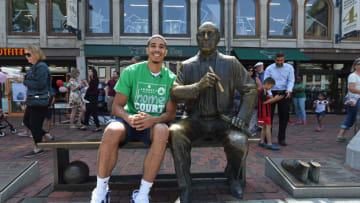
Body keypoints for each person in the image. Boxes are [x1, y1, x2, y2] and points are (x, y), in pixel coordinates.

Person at [169, 22, 257, 202]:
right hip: (194, 120)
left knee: (239, 141)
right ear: (196, 38)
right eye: (202, 34)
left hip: (223, 120)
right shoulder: (187, 65)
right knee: (175, 133)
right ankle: (185, 186)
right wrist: (197, 87)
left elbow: (251, 89)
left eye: (210, 34)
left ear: (218, 38)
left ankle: (234, 176)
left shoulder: (230, 63)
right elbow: (174, 92)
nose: (206, 38)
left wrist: (241, 117)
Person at [90, 34, 177, 203]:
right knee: (111, 130)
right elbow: (116, 107)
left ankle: (142, 194)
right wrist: (128, 117)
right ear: (148, 50)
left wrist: (153, 120)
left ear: (165, 52)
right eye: (153, 46)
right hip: (128, 121)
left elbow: (171, 114)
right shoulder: (131, 71)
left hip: (153, 124)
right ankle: (100, 191)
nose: (157, 49)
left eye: (161, 47)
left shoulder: (171, 78)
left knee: (162, 130)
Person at [14, 45, 52, 157]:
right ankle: (45, 135)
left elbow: (40, 85)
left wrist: (24, 80)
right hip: (33, 100)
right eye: (25, 54)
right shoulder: (34, 67)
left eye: (28, 54)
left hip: (40, 101)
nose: (26, 57)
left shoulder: (41, 67)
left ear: (36, 54)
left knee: (35, 125)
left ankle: (38, 147)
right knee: (27, 122)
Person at [264, 52, 295, 146]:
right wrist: (269, 94)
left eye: (281, 60)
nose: (279, 62)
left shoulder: (289, 68)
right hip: (271, 93)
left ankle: (281, 139)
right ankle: (267, 138)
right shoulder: (269, 68)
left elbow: (291, 80)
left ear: (284, 59)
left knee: (284, 117)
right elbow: (266, 82)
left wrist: (289, 90)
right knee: (269, 117)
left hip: (284, 93)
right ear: (275, 59)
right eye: (278, 60)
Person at [336, 58, 360, 142]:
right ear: (355, 66)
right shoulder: (353, 76)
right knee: (352, 117)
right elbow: (351, 89)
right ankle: (341, 135)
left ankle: (341, 135)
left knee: (352, 117)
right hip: (354, 98)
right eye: (359, 64)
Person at [258, 77, 283, 150]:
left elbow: (265, 100)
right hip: (265, 112)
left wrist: (274, 99)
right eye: (271, 86)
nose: (271, 88)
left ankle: (262, 141)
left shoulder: (264, 90)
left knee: (264, 127)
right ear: (267, 84)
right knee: (268, 127)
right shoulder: (262, 90)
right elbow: (264, 102)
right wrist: (275, 99)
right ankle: (269, 143)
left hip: (264, 112)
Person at [79, 67, 101, 132]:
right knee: (88, 112)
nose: (89, 72)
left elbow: (90, 88)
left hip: (93, 98)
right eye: (88, 71)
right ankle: (85, 125)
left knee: (94, 112)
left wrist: (86, 86)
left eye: (90, 71)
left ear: (93, 72)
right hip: (90, 98)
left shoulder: (94, 79)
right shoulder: (92, 79)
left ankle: (98, 126)